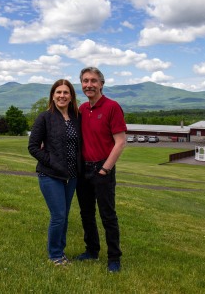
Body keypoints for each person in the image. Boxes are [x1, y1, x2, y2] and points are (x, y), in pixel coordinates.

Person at [75, 67, 127, 273]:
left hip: (102, 168)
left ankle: (114, 257)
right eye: (85, 81)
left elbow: (120, 142)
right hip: (83, 169)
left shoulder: (112, 107)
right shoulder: (81, 109)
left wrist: (105, 169)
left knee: (108, 215)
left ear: (101, 84)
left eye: (93, 81)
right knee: (86, 213)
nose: (89, 85)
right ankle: (92, 250)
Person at [28, 79, 81, 266]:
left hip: (73, 176)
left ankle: (61, 250)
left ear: (71, 96)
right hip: (50, 175)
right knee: (58, 215)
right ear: (52, 95)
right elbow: (33, 147)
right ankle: (55, 255)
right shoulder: (45, 117)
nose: (62, 96)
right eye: (58, 92)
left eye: (66, 92)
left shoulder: (76, 117)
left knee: (65, 215)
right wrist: (53, 163)